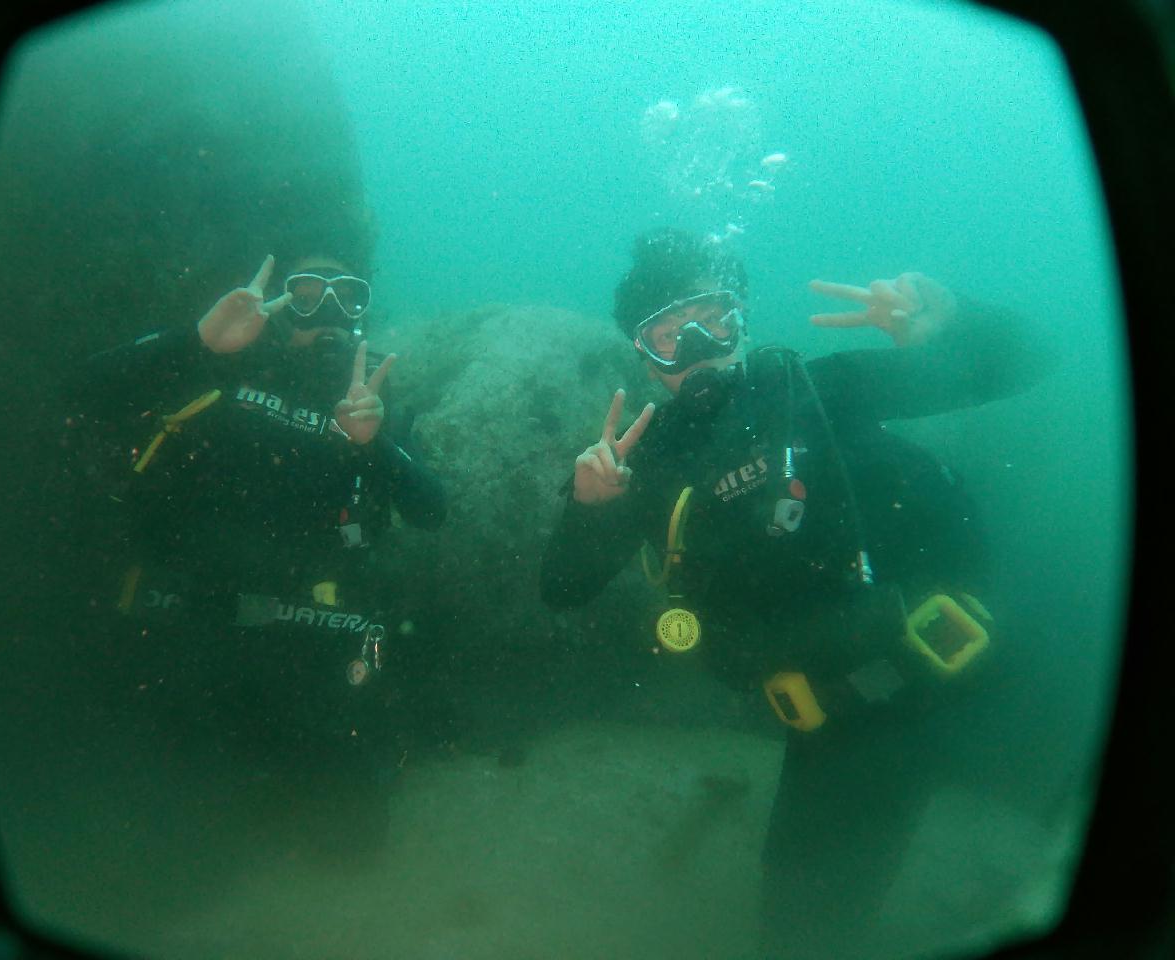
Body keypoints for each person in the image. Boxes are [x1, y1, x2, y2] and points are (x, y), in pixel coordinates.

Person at [540, 228, 1045, 959]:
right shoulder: (645, 463)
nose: (696, 347)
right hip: (844, 728)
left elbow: (1028, 361)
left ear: (741, 319)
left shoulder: (820, 390)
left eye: (712, 319)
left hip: (974, 665)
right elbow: (562, 589)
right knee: (804, 926)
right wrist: (589, 510)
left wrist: (955, 323)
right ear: (645, 358)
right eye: (667, 335)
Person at [64, 241, 447, 861]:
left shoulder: (373, 407)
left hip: (315, 636)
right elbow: (79, 389)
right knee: (166, 836)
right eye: (306, 296)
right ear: (280, 308)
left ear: (362, 314)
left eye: (348, 298)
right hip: (194, 624)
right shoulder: (224, 369)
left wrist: (373, 444)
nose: (327, 314)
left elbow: (432, 510)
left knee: (348, 842)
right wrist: (194, 343)